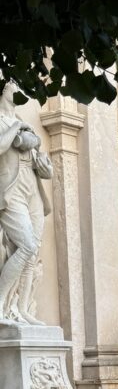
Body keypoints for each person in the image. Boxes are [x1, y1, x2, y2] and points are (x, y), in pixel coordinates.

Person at [0, 80, 52, 324]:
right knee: (27, 245)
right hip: (12, 193)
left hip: (33, 191)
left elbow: (41, 164)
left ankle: (22, 309)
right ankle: (1, 302)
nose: (19, 89)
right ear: (3, 90)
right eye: (14, 85)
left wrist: (45, 167)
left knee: (33, 252)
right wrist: (17, 128)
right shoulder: (8, 122)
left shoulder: (22, 121)